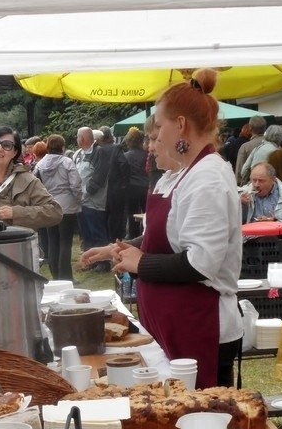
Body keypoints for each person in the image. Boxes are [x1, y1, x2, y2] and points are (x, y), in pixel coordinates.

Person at [80, 68, 243, 389]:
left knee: (202, 418)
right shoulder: (183, 173)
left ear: (180, 124)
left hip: (202, 328)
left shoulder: (207, 178)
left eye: (159, 126)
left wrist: (140, 262)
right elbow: (167, 234)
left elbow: (201, 262)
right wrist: (121, 249)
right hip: (178, 326)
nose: (155, 137)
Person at [34, 134, 82, 281]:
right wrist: (79, 198)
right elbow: (75, 183)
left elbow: (36, 185)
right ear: (62, 147)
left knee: (53, 241)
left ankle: (56, 276)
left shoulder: (40, 164)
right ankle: (67, 278)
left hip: (49, 206)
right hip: (67, 206)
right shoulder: (67, 162)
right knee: (65, 243)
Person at [240, 162, 282, 259]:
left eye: (261, 181)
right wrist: (239, 204)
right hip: (251, 241)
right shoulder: (242, 194)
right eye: (253, 180)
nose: (256, 185)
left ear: (273, 180)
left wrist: (276, 224)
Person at [75, 126, 108, 261]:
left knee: (97, 233)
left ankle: (103, 261)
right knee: (86, 234)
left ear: (82, 139)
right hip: (82, 202)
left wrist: (85, 193)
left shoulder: (99, 153)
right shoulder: (79, 154)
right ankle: (90, 261)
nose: (76, 139)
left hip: (94, 202)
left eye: (77, 136)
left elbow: (99, 177)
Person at [123, 127, 149, 238]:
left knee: (132, 214)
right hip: (145, 186)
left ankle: (133, 236)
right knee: (146, 213)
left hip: (131, 188)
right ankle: (145, 233)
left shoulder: (126, 156)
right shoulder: (146, 155)